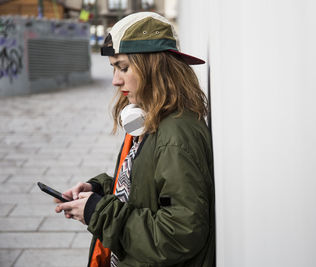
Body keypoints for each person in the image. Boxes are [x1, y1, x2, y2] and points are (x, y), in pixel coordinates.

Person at [55, 12, 215, 267]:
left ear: (155, 66)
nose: (116, 80)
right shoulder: (153, 120)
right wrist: (99, 190)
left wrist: (100, 213)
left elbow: (180, 235)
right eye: (114, 68)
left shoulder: (175, 136)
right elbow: (146, 192)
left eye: (124, 67)